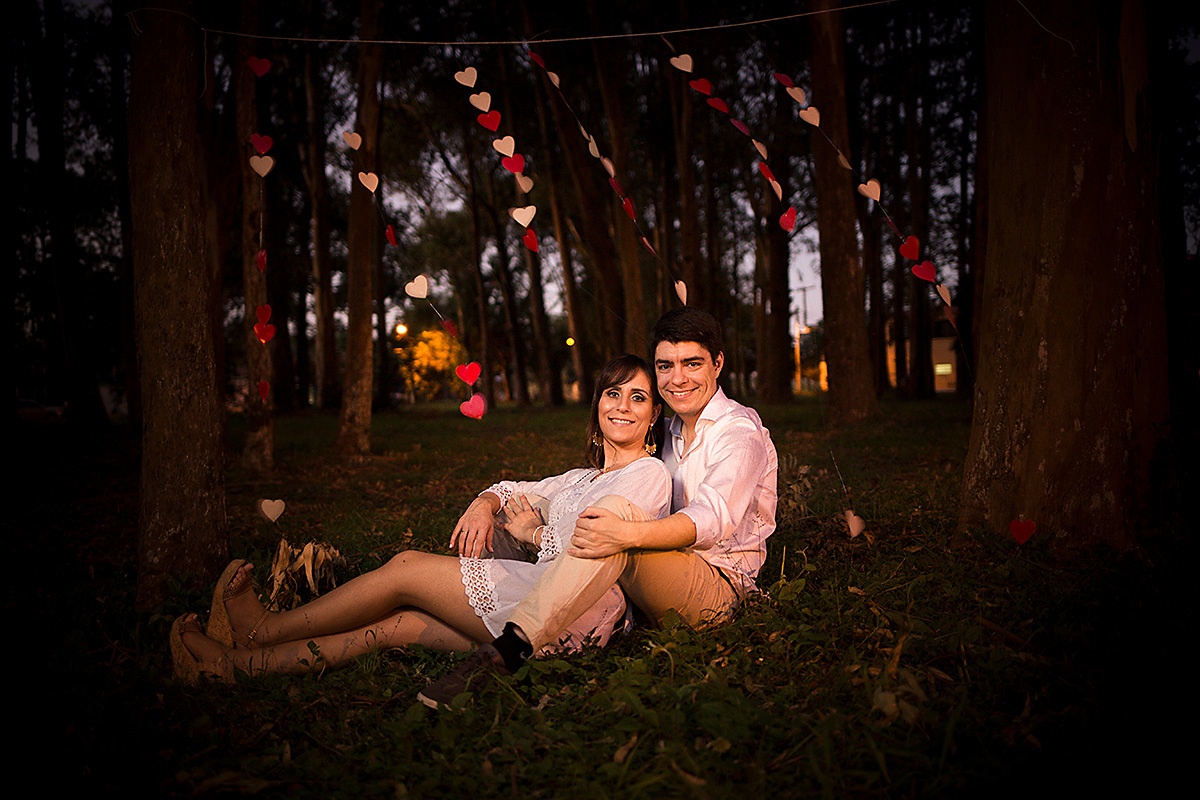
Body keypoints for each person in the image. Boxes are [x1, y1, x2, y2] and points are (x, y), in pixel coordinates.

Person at [169, 355, 671, 683]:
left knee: (407, 566)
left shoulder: (648, 474)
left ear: (653, 417)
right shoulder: (578, 478)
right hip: (544, 598)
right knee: (402, 626)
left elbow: (590, 545)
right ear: (598, 404)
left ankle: (266, 628)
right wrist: (485, 502)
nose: (622, 406)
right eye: (613, 393)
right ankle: (241, 665)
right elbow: (516, 489)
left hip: (573, 610)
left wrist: (530, 531)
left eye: (638, 397)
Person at [418, 307, 778, 708]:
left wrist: (626, 532)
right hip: (659, 576)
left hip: (715, 590)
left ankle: (511, 648)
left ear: (718, 363)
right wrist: (488, 502)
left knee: (616, 517)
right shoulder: (671, 430)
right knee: (589, 515)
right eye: (665, 366)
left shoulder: (738, 432)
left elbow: (709, 519)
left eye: (692, 363)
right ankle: (493, 604)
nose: (677, 378)